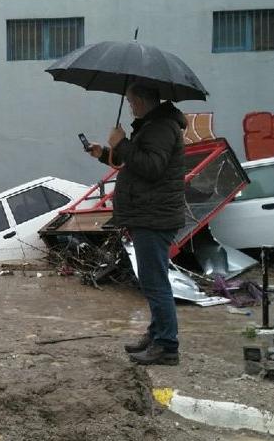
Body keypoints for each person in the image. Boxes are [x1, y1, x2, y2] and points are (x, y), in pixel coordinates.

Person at [86, 84, 186, 366]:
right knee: (153, 280)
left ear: (142, 101)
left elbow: (152, 168)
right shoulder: (152, 125)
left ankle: (166, 345)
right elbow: (134, 163)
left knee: (155, 283)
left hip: (154, 217)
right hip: (148, 214)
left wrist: (122, 143)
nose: (129, 106)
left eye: (131, 101)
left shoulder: (162, 128)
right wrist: (105, 152)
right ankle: (157, 335)